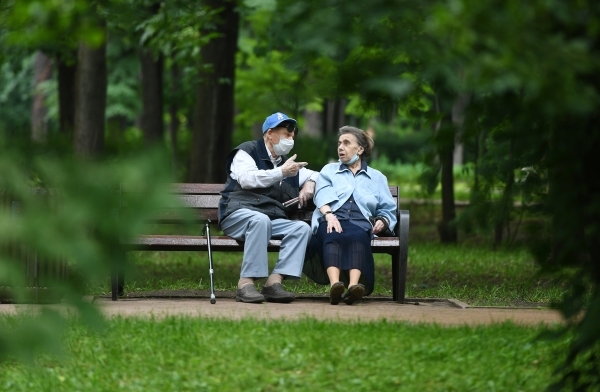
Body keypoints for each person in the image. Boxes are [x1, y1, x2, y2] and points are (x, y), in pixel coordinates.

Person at [218, 112, 318, 304]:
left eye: (292, 135)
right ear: (270, 134)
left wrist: (309, 184)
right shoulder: (247, 151)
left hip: (269, 219)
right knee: (259, 220)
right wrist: (280, 172)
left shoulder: (288, 165)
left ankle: (274, 283)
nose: (291, 139)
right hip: (237, 214)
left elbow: (318, 174)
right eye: (286, 135)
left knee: (301, 228)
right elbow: (247, 179)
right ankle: (245, 284)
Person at [305, 126, 397, 305]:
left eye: (346, 143)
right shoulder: (329, 170)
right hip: (332, 218)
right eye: (339, 143)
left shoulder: (377, 178)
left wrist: (383, 221)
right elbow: (321, 194)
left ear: (360, 149)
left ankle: (354, 287)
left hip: (359, 222)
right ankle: (335, 286)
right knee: (332, 233)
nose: (341, 147)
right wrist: (329, 215)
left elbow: (387, 208)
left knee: (358, 237)